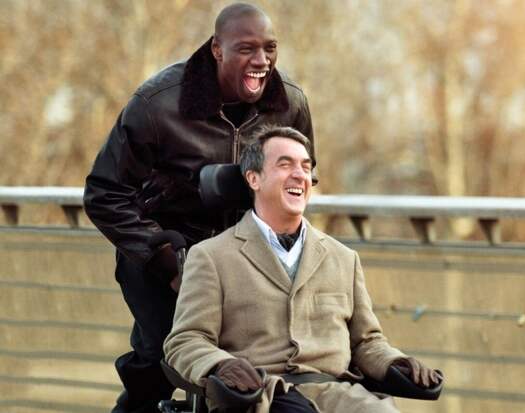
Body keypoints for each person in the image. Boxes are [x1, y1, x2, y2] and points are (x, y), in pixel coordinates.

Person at [83, 3, 315, 412]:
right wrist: (162, 256)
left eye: (269, 48)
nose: (262, 60)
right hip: (162, 254)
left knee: (248, 370)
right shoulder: (157, 103)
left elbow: (300, 180)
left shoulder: (289, 104)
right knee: (161, 359)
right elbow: (105, 193)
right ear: (217, 49)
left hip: (244, 256)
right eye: (246, 48)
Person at [164, 125, 441, 413]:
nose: (299, 174)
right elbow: (186, 340)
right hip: (260, 395)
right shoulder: (211, 256)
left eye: (305, 167)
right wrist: (220, 365)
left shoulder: (344, 258)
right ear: (254, 178)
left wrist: (395, 362)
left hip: (335, 392)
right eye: (285, 165)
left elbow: (366, 342)